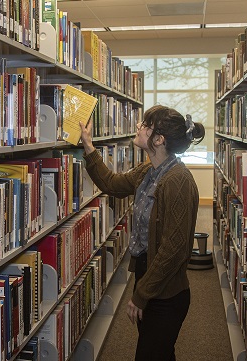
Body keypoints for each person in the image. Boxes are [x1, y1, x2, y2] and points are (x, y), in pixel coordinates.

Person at [80, 104, 205, 361]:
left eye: (146, 125)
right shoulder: (149, 172)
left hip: (166, 293)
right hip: (148, 279)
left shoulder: (177, 181)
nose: (139, 127)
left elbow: (174, 251)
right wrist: (89, 147)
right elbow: (112, 184)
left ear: (159, 139)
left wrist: (141, 294)